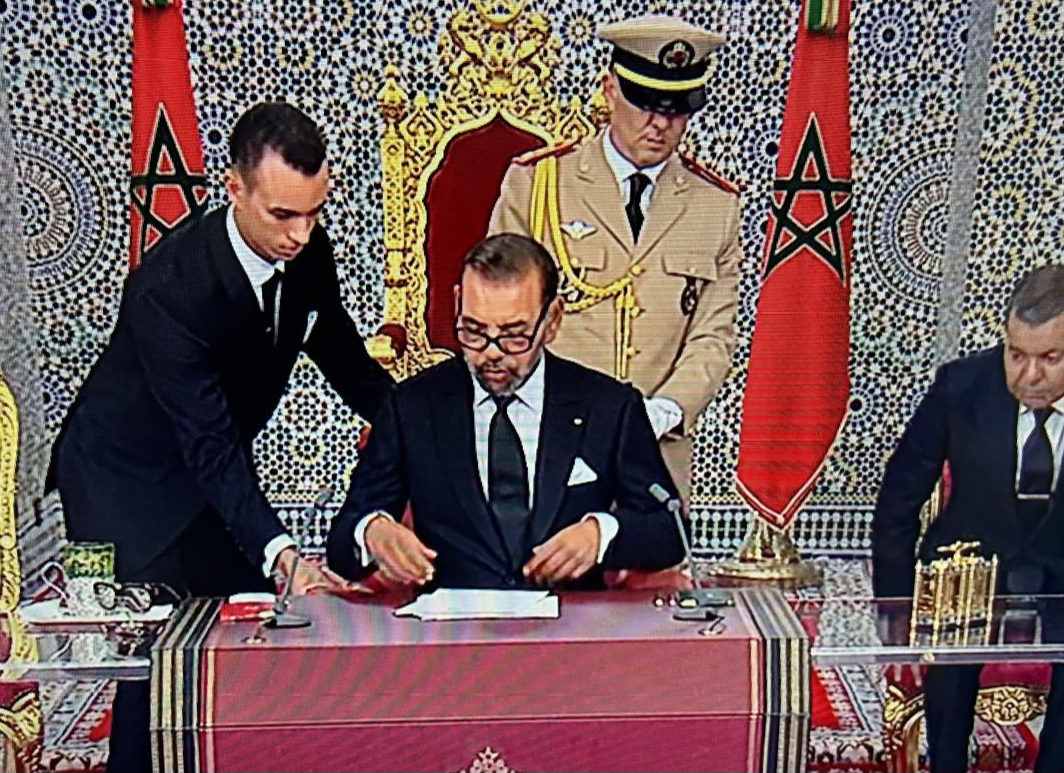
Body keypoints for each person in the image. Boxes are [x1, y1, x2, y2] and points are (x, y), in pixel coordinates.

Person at [47, 102, 393, 771]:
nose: (301, 234)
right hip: (128, 482)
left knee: (248, 631)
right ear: (234, 188)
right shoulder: (169, 289)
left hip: (208, 468)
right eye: (283, 215)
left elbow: (348, 364)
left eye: (314, 212)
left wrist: (425, 428)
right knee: (157, 660)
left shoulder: (307, 251)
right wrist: (285, 554)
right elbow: (208, 443)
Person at [871, 264, 1064, 773]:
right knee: (951, 657)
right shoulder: (961, 384)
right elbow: (899, 498)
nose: (1028, 376)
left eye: (1050, 358)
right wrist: (895, 610)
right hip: (970, 556)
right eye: (1016, 354)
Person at [326, 234, 686, 589]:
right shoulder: (411, 406)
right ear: (458, 304)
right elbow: (342, 542)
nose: (492, 352)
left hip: (571, 620)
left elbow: (670, 529)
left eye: (514, 335)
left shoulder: (609, 407)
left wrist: (600, 534)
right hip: (454, 621)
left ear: (552, 320)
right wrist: (371, 530)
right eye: (474, 331)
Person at [488, 14, 742, 500]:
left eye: (678, 108)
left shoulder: (715, 205)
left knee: (654, 552)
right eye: (644, 101)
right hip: (547, 446)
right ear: (609, 90)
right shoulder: (539, 183)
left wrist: (666, 410)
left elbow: (713, 335)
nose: (660, 123)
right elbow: (500, 317)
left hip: (655, 456)